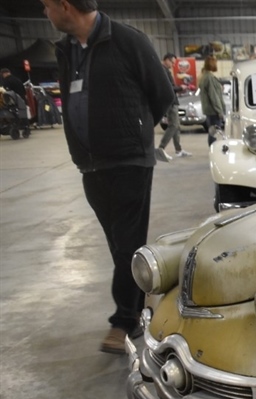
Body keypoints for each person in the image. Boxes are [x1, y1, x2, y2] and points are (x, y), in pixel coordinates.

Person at [41, 0, 175, 354]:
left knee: (127, 243)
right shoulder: (67, 51)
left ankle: (124, 320)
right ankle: (142, 295)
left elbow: (162, 93)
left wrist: (137, 131)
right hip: (90, 166)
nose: (44, 13)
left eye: (46, 5)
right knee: (119, 245)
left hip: (129, 162)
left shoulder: (128, 41)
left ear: (65, 6)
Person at [155, 53, 191, 161]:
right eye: (172, 62)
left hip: (172, 101)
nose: (173, 65)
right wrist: (180, 88)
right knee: (173, 125)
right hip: (170, 102)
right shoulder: (162, 71)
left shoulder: (164, 70)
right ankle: (161, 148)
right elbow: (167, 87)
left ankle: (178, 150)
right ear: (166, 60)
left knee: (177, 126)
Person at [199, 55, 225, 146]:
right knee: (215, 132)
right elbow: (213, 96)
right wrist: (219, 110)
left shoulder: (204, 76)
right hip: (213, 110)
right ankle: (213, 148)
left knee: (212, 131)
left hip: (208, 109)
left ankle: (212, 148)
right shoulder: (210, 77)